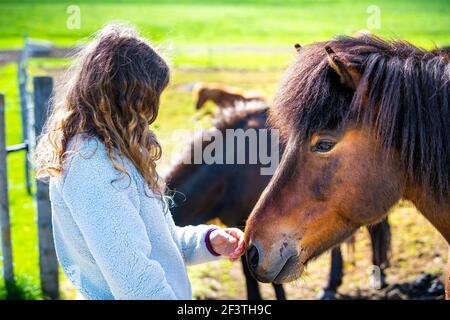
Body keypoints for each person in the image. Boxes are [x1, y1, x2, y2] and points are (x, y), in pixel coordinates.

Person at [34, 24, 245, 300]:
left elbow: (154, 243)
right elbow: (135, 282)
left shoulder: (114, 152)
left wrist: (207, 242)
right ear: (126, 99)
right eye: (149, 99)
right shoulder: (90, 165)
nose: (152, 112)